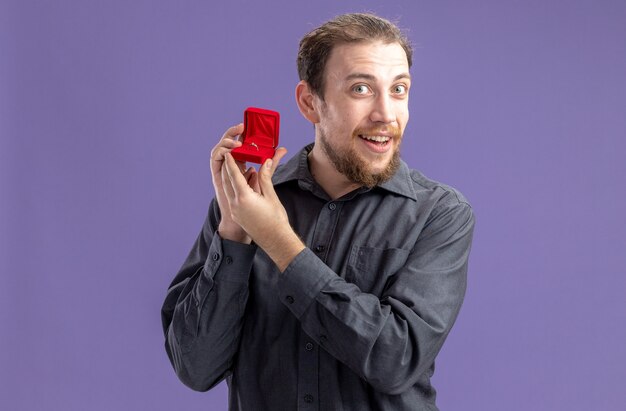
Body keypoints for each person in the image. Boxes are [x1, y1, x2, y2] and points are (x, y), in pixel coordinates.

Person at [161, 12, 475, 411]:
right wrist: (234, 233)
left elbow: (394, 360)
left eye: (398, 89)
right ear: (310, 102)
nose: (386, 114)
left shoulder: (439, 214)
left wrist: (278, 241)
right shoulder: (245, 205)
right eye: (361, 88)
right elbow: (195, 367)